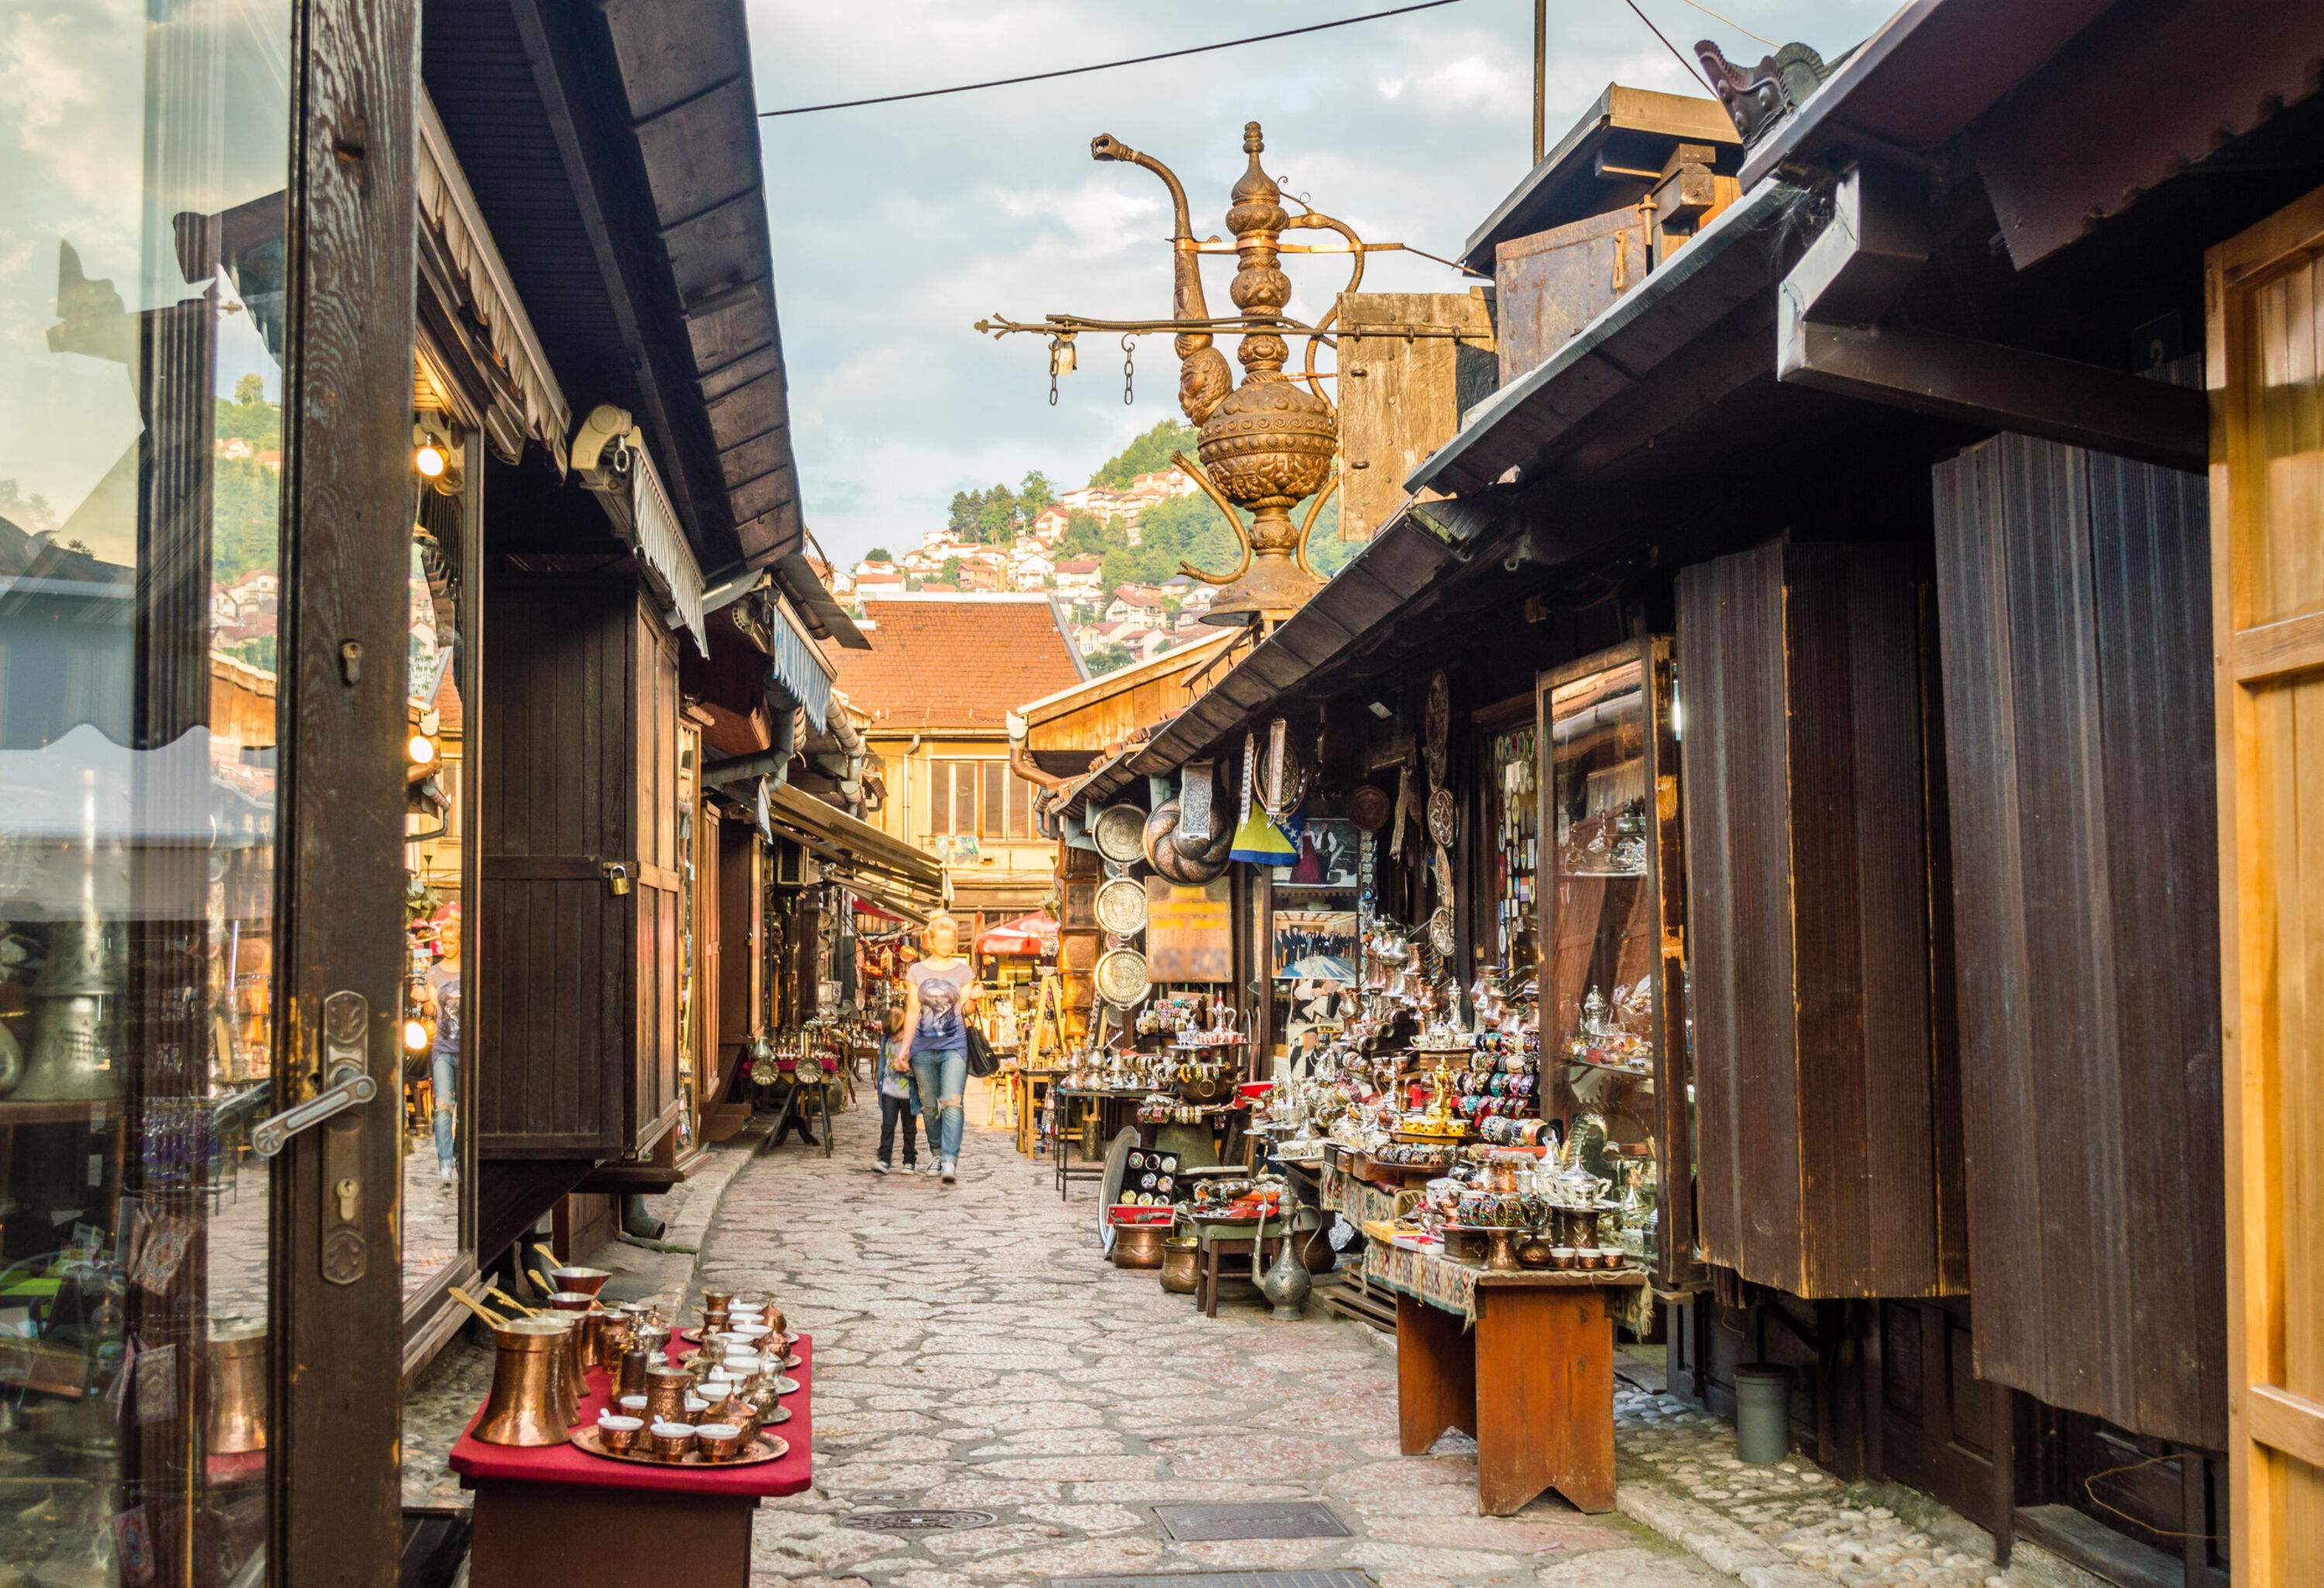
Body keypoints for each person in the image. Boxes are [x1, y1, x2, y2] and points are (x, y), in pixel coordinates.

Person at [901, 913, 979, 1184]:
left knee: (952, 1102)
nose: (947, 944)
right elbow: (912, 1011)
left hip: (953, 1046)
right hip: (923, 1047)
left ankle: (949, 1160)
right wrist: (904, 1048)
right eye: (942, 940)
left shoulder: (964, 972)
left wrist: (974, 1000)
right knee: (930, 1107)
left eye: (951, 940)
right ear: (930, 941)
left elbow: (966, 1010)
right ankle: (936, 1153)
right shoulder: (916, 971)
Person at [420, 913, 462, 1187]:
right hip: (444, 1048)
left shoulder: (470, 969)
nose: (446, 947)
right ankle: (445, 1163)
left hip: (468, 1049)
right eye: (443, 943)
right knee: (443, 1107)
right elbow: (428, 1007)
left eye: (451, 942)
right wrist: (427, 1000)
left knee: (467, 1110)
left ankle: (459, 1156)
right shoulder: (434, 973)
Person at [872, 1006, 927, 1175]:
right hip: (889, 1089)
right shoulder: (886, 1040)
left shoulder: (913, 1043)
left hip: (908, 1093)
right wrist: (878, 1082)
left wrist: (908, 1069)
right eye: (891, 1034)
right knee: (887, 1125)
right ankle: (884, 1159)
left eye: (898, 1033)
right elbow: (882, 1061)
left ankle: (909, 1160)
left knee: (909, 1127)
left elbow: (920, 1068)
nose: (895, 1038)